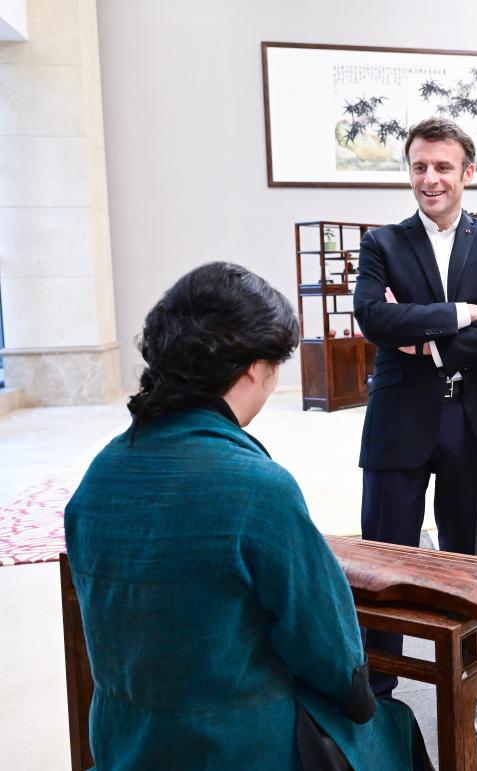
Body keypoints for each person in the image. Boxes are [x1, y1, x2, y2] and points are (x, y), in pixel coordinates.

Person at [65, 262, 429, 770]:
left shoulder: (100, 474)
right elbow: (334, 658)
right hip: (239, 748)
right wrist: (359, 697)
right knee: (393, 725)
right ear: (255, 368)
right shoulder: (258, 488)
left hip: (127, 744)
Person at [353, 117, 477, 755]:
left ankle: (464, 693)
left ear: (467, 173)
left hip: (474, 420)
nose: (431, 179)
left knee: (465, 561)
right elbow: (372, 316)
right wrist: (458, 315)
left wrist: (427, 342)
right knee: (384, 560)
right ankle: (376, 691)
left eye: (443, 167)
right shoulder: (381, 244)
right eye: (420, 167)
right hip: (400, 420)